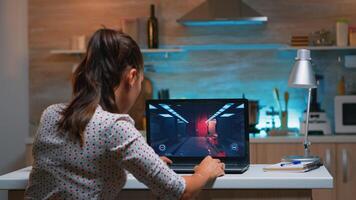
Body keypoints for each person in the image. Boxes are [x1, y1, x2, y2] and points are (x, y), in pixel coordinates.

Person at [25, 28, 225, 200]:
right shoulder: (115, 126)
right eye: (140, 82)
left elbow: (84, 165)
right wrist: (203, 172)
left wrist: (139, 164)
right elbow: (182, 192)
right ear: (132, 76)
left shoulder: (50, 114)